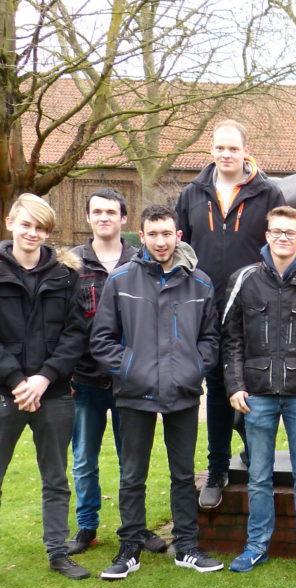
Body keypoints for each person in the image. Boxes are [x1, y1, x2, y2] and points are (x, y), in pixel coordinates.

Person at [91, 205, 223, 579]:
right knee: (133, 475)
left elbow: (210, 338)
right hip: (136, 394)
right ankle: (130, 547)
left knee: (183, 475)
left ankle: (187, 546)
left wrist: (194, 366)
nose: (161, 241)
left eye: (168, 234)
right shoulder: (120, 280)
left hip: (182, 392)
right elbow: (101, 341)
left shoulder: (200, 282)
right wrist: (131, 369)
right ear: (142, 236)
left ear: (178, 236)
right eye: (154, 234)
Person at [221, 206, 296, 574]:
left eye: (291, 232)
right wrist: (234, 384)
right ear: (267, 235)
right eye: (277, 231)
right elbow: (230, 337)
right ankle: (256, 546)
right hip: (255, 393)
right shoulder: (244, 279)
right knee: (259, 474)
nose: (284, 238)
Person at [176, 119, 286, 510]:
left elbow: (280, 245)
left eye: (233, 149)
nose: (226, 155)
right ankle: (218, 469)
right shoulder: (192, 193)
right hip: (205, 310)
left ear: (245, 151)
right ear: (212, 151)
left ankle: (258, 458)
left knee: (256, 387)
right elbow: (180, 249)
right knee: (219, 391)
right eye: (219, 148)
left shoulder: (268, 192)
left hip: (253, 308)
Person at [66, 189, 169, 557]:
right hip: (85, 379)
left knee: (133, 461)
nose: (104, 217)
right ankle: (87, 526)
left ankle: (136, 529)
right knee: (84, 459)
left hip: (132, 381)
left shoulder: (142, 262)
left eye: (112, 211)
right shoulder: (72, 263)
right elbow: (63, 322)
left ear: (124, 219)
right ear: (89, 218)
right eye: (97, 211)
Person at [0, 194, 88, 579]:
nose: (32, 233)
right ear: (10, 224)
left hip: (52, 392)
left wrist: (43, 377)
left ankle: (58, 552)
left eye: (40, 228)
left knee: (55, 477)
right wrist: (18, 381)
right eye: (26, 225)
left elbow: (76, 334)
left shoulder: (66, 276)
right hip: (6, 392)